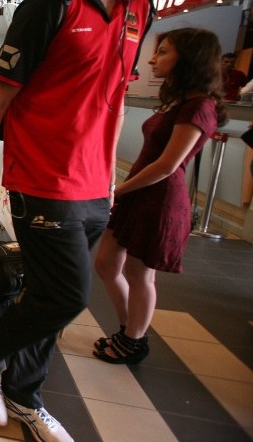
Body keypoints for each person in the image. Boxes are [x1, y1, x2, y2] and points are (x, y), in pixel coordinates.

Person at [0, 0, 192, 441]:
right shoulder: (51, 4)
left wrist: (108, 179)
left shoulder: (139, 7)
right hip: (40, 180)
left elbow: (111, 102)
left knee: (45, 298)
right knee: (67, 294)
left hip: (93, 187)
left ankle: (26, 396)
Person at [93, 28, 225, 364]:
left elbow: (167, 166)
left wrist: (115, 191)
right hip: (139, 194)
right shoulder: (182, 102)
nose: (152, 58)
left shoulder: (199, 107)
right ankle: (129, 330)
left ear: (189, 58)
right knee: (107, 263)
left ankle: (133, 339)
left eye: (163, 51)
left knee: (140, 274)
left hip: (159, 200)